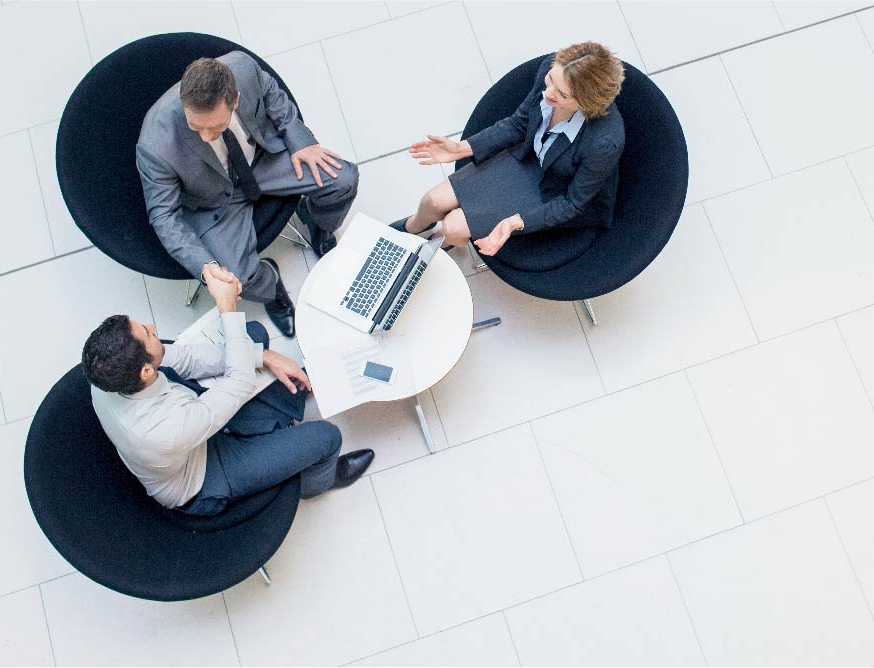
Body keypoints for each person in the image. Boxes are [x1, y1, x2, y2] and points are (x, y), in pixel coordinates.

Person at [82, 263, 374, 516]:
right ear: (146, 371)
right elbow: (239, 382)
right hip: (203, 475)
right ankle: (314, 483)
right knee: (327, 437)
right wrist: (227, 307)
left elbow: (181, 359)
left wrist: (263, 355)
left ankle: (283, 410)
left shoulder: (107, 379)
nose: (152, 325)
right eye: (147, 333)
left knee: (252, 338)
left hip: (185, 426)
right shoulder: (166, 431)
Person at [137, 53, 360, 338]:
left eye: (216, 127)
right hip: (213, 199)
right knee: (239, 277)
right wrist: (207, 270)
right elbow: (163, 216)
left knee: (343, 180)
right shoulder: (154, 146)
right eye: (196, 127)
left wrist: (301, 140)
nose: (206, 136)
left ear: (236, 100)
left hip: (262, 161)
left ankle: (317, 221)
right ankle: (272, 286)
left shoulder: (243, 68)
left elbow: (271, 94)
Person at [393, 42, 625, 257]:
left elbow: (572, 203)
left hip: (556, 190)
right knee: (433, 200)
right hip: (528, 158)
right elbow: (519, 124)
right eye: (550, 79)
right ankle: (412, 227)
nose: (548, 93)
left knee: (453, 227)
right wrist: (461, 149)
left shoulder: (603, 143)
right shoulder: (552, 72)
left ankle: (429, 249)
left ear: (587, 104)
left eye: (562, 94)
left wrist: (516, 221)